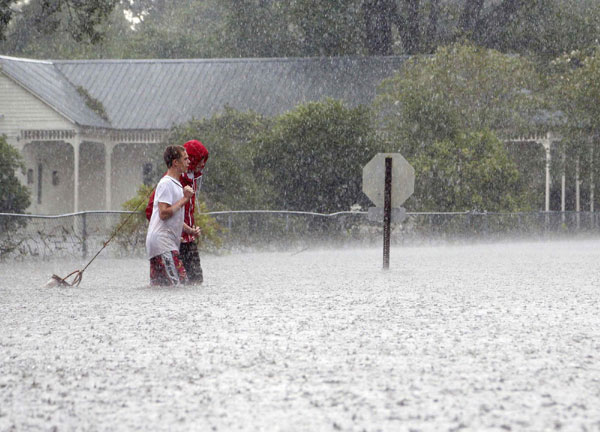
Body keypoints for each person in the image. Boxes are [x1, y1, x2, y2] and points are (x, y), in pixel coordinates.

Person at [146, 140, 209, 284]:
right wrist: (184, 200)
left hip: (175, 240)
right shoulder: (167, 183)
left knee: (165, 286)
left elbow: (177, 216)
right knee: (180, 284)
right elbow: (161, 213)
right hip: (165, 243)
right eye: (186, 159)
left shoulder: (183, 181)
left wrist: (190, 231)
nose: (202, 164)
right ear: (176, 162)